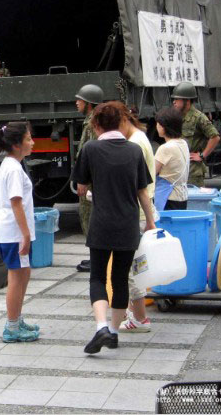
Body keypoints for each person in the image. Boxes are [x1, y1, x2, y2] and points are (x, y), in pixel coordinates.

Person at [71, 102, 156, 354]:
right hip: (128, 224)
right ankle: (115, 332)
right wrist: (150, 221)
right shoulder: (134, 151)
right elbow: (142, 192)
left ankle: (101, 327)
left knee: (97, 276)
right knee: (120, 279)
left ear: (96, 125)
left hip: (101, 224)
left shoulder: (90, 149)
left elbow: (81, 187)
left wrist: (89, 189)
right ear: (121, 122)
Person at [0, 122, 40, 343]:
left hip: (14, 233)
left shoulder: (11, 164)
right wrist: (26, 234)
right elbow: (16, 203)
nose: (32, 142)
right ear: (16, 144)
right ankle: (12, 326)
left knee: (23, 275)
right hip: (14, 234)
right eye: (29, 138)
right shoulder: (12, 168)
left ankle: (16, 319)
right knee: (16, 278)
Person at [118, 106, 157, 333]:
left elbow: (138, 186)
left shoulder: (136, 144)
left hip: (137, 213)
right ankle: (136, 314)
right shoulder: (139, 138)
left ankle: (140, 318)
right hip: (142, 212)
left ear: (125, 120)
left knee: (131, 269)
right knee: (135, 266)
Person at [72, 84, 103, 273]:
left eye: (80, 100)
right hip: (91, 181)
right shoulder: (91, 121)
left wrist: (84, 180)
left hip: (91, 183)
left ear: (89, 103)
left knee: (89, 218)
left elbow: (91, 155)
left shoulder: (93, 124)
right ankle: (94, 257)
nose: (77, 103)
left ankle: (96, 259)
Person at [171, 82, 220, 187]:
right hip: (179, 167)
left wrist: (202, 155)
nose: (174, 102)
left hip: (193, 171)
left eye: (177, 99)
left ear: (187, 101)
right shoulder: (176, 116)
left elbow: (215, 137)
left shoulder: (199, 117)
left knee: (194, 201)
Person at [154, 107, 190, 211]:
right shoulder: (183, 143)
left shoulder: (165, 148)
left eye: (158, 124)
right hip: (182, 195)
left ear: (163, 127)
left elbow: (151, 173)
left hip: (168, 197)